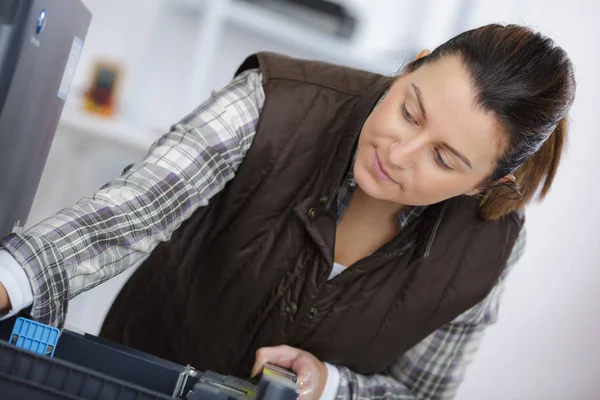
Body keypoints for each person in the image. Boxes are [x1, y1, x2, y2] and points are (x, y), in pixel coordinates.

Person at [0, 23, 575, 399]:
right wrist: (10, 278)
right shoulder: (274, 100)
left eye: (444, 159)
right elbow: (130, 212)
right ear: (410, 66)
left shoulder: (487, 246)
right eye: (409, 111)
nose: (398, 155)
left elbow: (420, 393)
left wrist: (332, 388)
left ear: (485, 184)